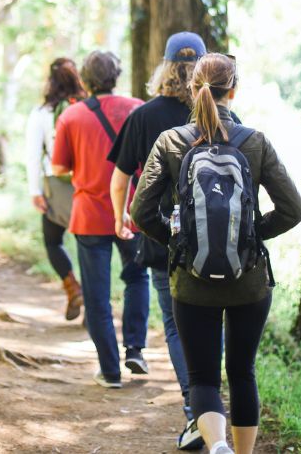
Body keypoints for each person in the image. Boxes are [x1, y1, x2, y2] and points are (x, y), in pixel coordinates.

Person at [131, 53, 301, 454]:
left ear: (192, 90)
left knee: (203, 379)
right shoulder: (255, 142)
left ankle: (216, 446)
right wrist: (252, 235)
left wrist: (178, 244)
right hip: (250, 282)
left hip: (191, 283)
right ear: (235, 89)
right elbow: (294, 209)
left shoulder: (171, 142)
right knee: (242, 373)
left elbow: (142, 211)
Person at [107, 31, 208, 448]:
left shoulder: (144, 117)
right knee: (211, 323)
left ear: (164, 68)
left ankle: (195, 412)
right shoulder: (217, 115)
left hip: (161, 236)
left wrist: (120, 219)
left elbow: (118, 180)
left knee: (175, 324)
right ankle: (212, 408)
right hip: (216, 239)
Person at [51, 50, 149, 389]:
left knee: (96, 295)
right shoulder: (138, 108)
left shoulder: (72, 117)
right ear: (116, 76)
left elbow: (59, 167)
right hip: (132, 211)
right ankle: (135, 347)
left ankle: (110, 371)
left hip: (90, 214)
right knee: (137, 278)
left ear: (85, 80)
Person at [25, 57, 86, 320]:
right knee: (89, 246)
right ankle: (93, 304)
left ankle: (72, 287)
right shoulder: (87, 108)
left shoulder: (42, 113)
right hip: (87, 187)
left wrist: (35, 191)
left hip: (56, 187)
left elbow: (32, 155)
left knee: (53, 241)